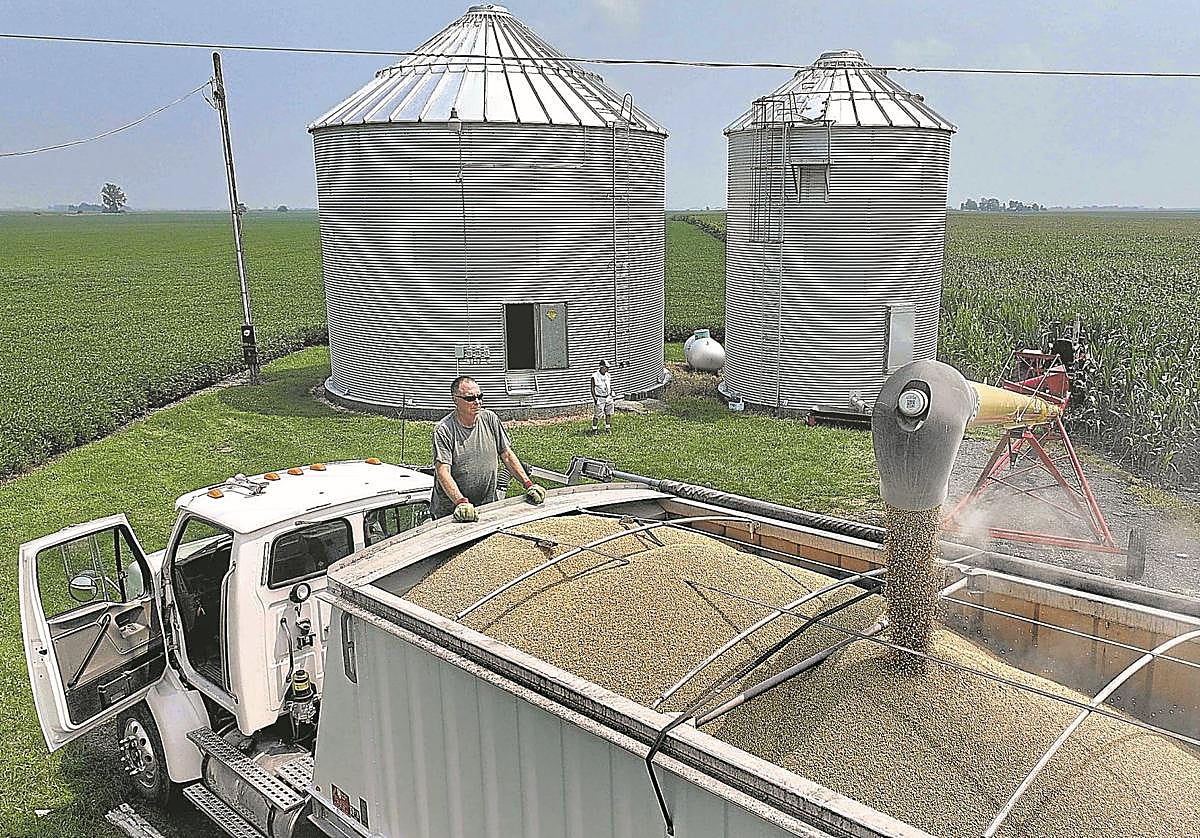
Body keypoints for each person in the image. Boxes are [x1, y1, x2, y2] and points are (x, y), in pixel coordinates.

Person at [432, 376, 546, 523]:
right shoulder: (444, 430)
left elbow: (507, 455)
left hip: (486, 506)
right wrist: (460, 502)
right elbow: (443, 471)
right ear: (455, 400)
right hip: (452, 513)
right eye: (470, 398)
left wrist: (528, 484)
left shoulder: (490, 419)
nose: (477, 402)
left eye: (480, 396)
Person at [590, 359, 614, 434]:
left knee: (608, 413)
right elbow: (592, 388)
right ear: (601, 367)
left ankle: (608, 428)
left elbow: (610, 385)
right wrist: (595, 398)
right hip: (600, 398)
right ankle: (594, 429)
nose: (608, 369)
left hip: (608, 397)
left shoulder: (608, 375)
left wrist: (611, 393)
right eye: (606, 367)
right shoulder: (595, 376)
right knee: (597, 415)